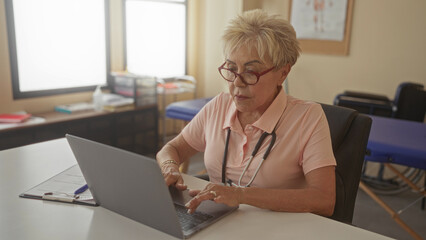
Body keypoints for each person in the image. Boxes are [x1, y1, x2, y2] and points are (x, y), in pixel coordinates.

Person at [156, 9, 336, 217]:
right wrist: (169, 166)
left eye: (250, 72)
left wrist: (241, 195)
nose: (237, 84)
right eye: (231, 69)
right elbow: (172, 148)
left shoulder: (308, 117)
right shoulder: (219, 105)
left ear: (283, 73)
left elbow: (324, 199)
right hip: (218, 221)